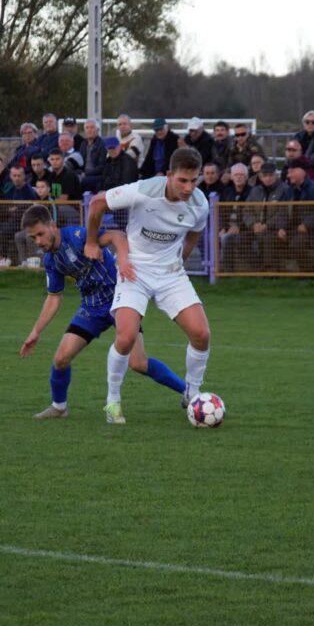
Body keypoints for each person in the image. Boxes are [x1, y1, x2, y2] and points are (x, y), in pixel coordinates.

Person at [19, 204, 187, 419]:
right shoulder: (51, 260)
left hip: (121, 300)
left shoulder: (79, 236)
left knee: (138, 362)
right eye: (33, 238)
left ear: (53, 225)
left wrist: (123, 260)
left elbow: (117, 235)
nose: (39, 242)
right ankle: (59, 407)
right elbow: (54, 297)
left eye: (41, 234)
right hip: (91, 308)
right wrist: (36, 332)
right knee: (61, 358)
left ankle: (188, 392)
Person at [84, 147, 211, 424]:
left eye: (194, 180)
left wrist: (181, 260)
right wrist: (92, 242)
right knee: (126, 337)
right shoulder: (143, 189)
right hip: (135, 271)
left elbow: (194, 234)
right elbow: (96, 203)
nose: (189, 188)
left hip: (170, 274)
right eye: (182, 181)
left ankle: (192, 394)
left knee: (201, 334)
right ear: (169, 176)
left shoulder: (200, 204)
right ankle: (113, 402)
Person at [79, 119, 107, 191]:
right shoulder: (83, 144)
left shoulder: (102, 144)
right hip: (84, 174)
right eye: (87, 128)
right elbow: (80, 163)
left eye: (92, 127)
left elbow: (102, 166)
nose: (89, 130)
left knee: (82, 181)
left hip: (98, 175)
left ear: (97, 130)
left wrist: (86, 173)